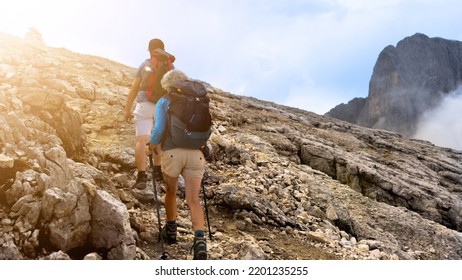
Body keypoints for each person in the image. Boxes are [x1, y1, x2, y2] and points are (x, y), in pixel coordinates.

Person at [149, 69, 208, 260]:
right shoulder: (198, 99)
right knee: (193, 199)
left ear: (167, 85)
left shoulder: (165, 100)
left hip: (173, 152)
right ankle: (199, 240)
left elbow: (159, 128)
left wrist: (151, 144)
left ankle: (171, 230)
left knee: (171, 191)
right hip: (196, 154)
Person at [124, 38, 168, 189]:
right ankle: (157, 171)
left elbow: (134, 88)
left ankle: (142, 176)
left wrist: (127, 109)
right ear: (163, 50)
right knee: (158, 139)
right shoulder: (170, 65)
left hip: (144, 104)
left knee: (141, 139)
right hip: (162, 106)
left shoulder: (145, 65)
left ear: (150, 50)